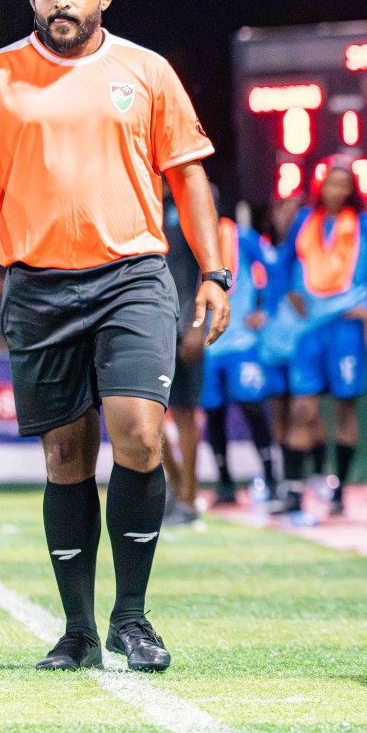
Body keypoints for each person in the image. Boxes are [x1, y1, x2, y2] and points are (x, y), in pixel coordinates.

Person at [0, 0, 229, 672]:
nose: (60, 2)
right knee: (66, 455)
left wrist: (214, 272)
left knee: (136, 433)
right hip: (37, 285)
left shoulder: (149, 71)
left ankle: (132, 617)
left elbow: (190, 178)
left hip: (133, 276)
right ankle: (77, 631)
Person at [267, 158, 367, 518]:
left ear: (353, 189)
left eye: (344, 184)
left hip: (346, 328)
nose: (337, 190)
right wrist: (285, 298)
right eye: (331, 183)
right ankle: (296, 492)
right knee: (303, 407)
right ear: (321, 187)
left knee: (345, 408)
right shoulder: (303, 220)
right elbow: (280, 266)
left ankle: (339, 490)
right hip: (308, 329)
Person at [202, 204, 279, 506]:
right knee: (213, 414)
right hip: (205, 346)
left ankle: (272, 479)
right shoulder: (183, 236)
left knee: (254, 408)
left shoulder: (241, 237)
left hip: (241, 342)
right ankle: (225, 484)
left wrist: (266, 310)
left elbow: (276, 269)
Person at [160, 187, 206, 525]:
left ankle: (189, 498)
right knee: (145, 416)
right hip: (147, 323)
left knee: (184, 414)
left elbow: (204, 268)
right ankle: (174, 488)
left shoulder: (188, 205)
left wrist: (195, 325)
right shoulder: (137, 201)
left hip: (183, 322)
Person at [258, 193, 302, 511]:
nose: (291, 217)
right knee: (278, 415)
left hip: (302, 341)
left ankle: (303, 482)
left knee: (305, 411)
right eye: (285, 209)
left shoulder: (311, 251)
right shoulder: (261, 247)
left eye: (299, 211)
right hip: (272, 344)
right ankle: (282, 482)